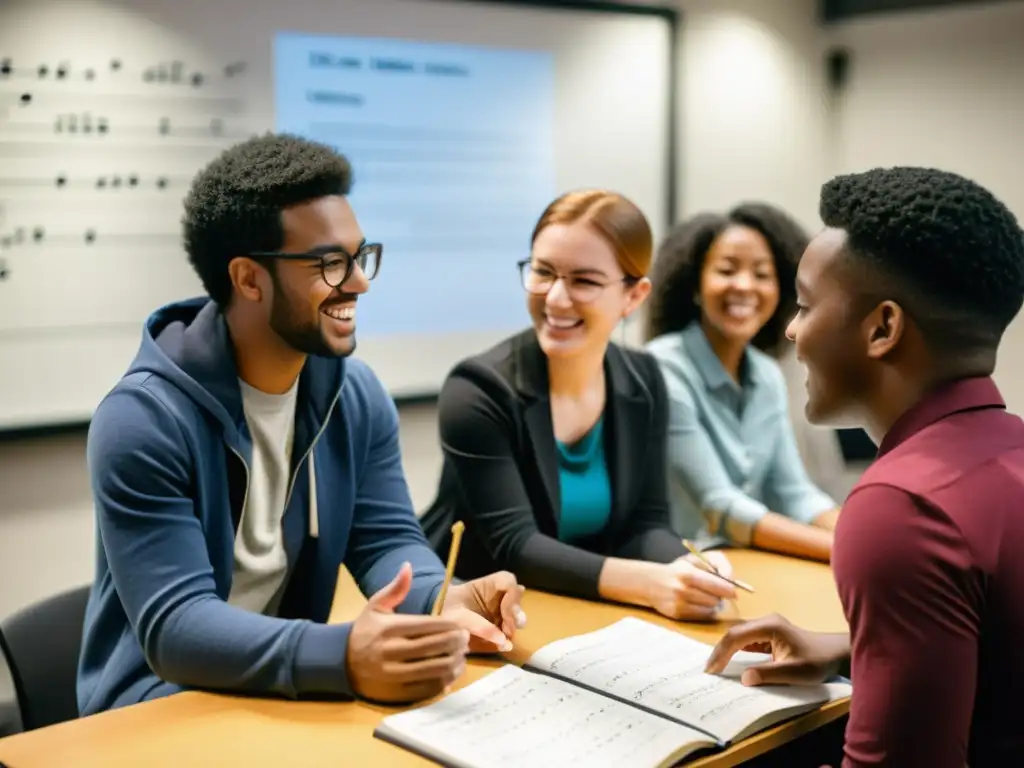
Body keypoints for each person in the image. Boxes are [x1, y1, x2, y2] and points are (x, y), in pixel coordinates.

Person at [77, 134, 526, 716]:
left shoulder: (355, 395)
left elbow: (386, 540)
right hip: (152, 711)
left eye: (360, 257)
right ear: (248, 279)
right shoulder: (142, 420)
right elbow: (177, 628)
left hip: (282, 693)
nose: (359, 283)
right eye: (330, 265)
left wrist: (441, 600)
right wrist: (342, 656)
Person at [705, 166, 1024, 767]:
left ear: (882, 328)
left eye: (803, 305)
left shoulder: (902, 507)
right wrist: (853, 648)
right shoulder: (1010, 448)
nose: (793, 331)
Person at [420, 189, 738, 623]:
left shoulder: (644, 380)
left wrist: (692, 567)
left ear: (634, 296)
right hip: (479, 617)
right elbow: (516, 546)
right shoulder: (477, 389)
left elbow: (646, 524)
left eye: (583, 281)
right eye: (542, 272)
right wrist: (650, 584)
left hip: (581, 610)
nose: (554, 298)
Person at [644, 203, 839, 562]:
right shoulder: (661, 366)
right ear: (695, 286)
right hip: (677, 569)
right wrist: (847, 549)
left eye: (762, 274)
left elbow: (794, 494)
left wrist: (862, 534)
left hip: (747, 563)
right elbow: (719, 506)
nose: (745, 286)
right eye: (727, 270)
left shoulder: (766, 375)